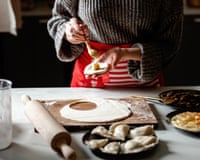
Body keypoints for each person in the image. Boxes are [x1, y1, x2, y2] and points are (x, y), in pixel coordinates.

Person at [47, 0, 183, 88]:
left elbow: (168, 44)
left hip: (144, 90)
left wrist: (125, 53)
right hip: (89, 86)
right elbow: (58, 19)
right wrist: (68, 31)